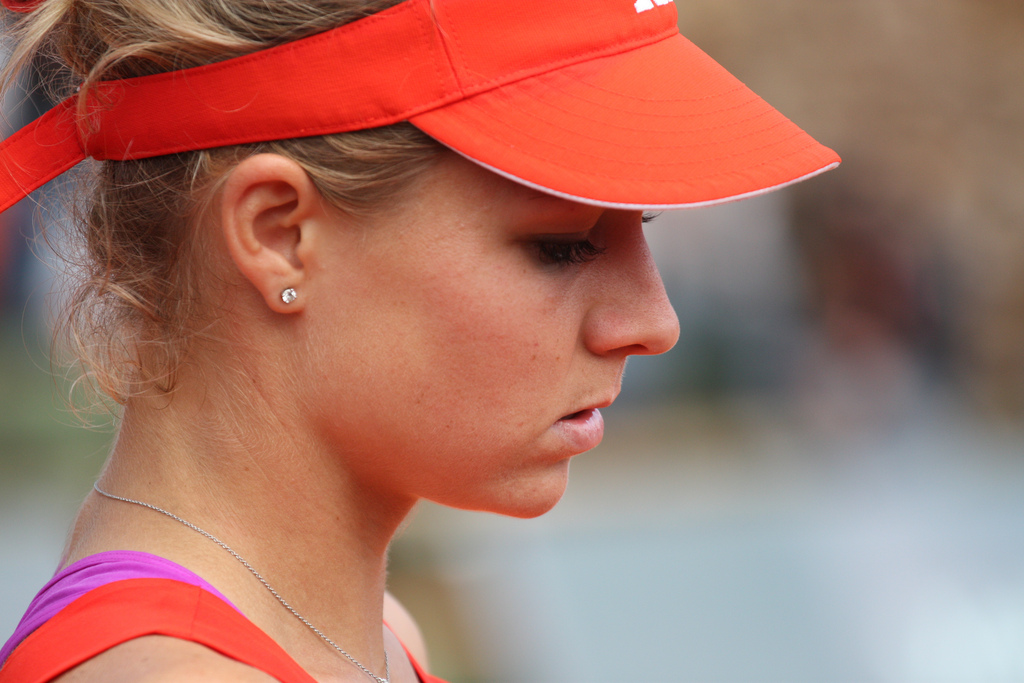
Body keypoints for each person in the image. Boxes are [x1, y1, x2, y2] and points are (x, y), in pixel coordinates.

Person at [0, 0, 839, 681]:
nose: (653, 321)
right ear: (279, 234)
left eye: (642, 225)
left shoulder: (370, 635)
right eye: (561, 245)